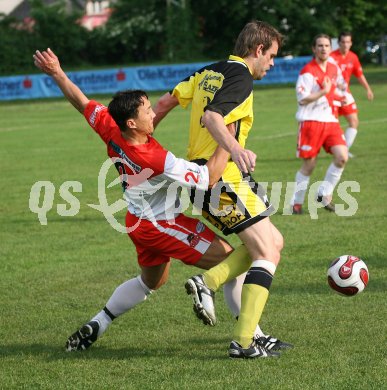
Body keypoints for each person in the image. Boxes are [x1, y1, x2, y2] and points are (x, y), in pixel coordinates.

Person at [33, 48, 284, 356]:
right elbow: (207, 178)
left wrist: (58, 73)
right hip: (163, 224)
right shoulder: (155, 158)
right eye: (147, 112)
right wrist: (228, 140)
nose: (154, 114)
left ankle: (98, 322)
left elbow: (82, 102)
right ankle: (249, 335)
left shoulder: (112, 130)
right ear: (132, 124)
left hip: (137, 222)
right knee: (229, 260)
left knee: (151, 283)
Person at [153, 21, 293, 358]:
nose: (272, 64)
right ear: (258, 49)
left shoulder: (208, 72)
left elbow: (163, 104)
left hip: (208, 180)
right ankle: (243, 340)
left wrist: (141, 144)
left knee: (273, 242)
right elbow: (213, 118)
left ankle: (214, 288)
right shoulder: (241, 76)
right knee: (267, 252)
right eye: (271, 56)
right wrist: (237, 148)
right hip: (221, 179)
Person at [290, 34, 349, 215]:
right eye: (320, 46)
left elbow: (339, 86)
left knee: (342, 157)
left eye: (326, 45)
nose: (323, 49)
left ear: (330, 49)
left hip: (330, 120)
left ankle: (323, 194)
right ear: (314, 49)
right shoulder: (308, 72)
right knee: (310, 165)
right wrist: (323, 91)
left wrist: (341, 97)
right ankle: (296, 203)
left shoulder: (333, 67)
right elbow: (302, 99)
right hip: (310, 122)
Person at [330, 31, 374, 157]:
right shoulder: (331, 57)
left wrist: (368, 89)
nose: (345, 44)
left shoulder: (353, 57)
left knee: (354, 121)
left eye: (348, 42)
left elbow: (359, 74)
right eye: (343, 42)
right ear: (338, 43)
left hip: (346, 94)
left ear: (351, 43)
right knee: (332, 124)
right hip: (331, 95)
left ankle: (344, 150)